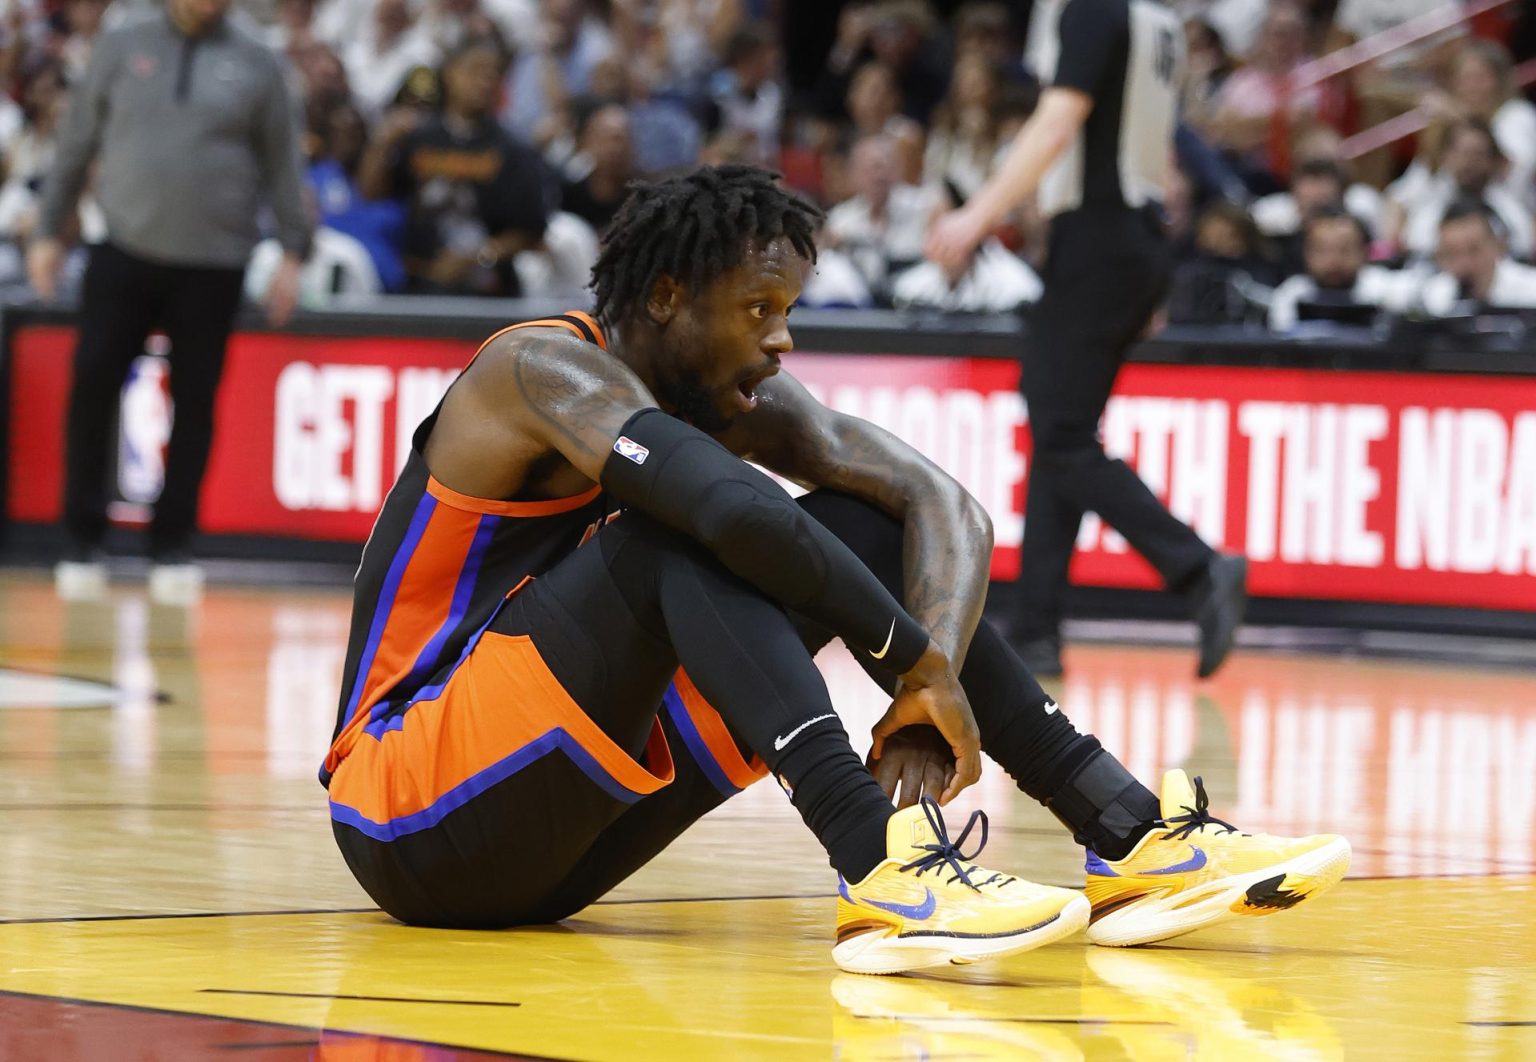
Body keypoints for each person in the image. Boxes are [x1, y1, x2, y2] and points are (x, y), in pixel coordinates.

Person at [321, 164, 1350, 973]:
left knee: (863, 522)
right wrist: (911, 663)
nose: (784, 337)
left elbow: (946, 507)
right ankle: (881, 867)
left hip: (552, 843)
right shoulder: (538, 367)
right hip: (404, 803)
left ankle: (1127, 839)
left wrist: (933, 670)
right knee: (675, 530)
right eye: (759, 309)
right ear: (671, 295)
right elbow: (721, 504)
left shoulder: (734, 393)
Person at [927, 0, 1247, 680]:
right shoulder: (1155, 20)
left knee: (1061, 432)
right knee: (1059, 432)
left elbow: (1060, 117)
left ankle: (1197, 567)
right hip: (1134, 234)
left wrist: (977, 216)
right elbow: (1157, 147)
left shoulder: (1092, 10)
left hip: (1099, 237)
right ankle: (1036, 632)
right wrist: (1148, 263)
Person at [30, 0, 312, 604]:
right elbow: (77, 139)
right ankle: (82, 538)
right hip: (123, 248)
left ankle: (172, 543)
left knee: (194, 401)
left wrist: (293, 251)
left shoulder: (259, 60)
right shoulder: (120, 43)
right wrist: (50, 231)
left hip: (215, 262)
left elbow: (283, 162)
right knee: (93, 385)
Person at [359, 39, 549, 297]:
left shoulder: (514, 149)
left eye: (493, 73)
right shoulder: (418, 138)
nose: (485, 80)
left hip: (489, 290)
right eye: (476, 70)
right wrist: (380, 145)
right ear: (450, 73)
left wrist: (479, 256)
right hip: (418, 282)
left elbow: (532, 232)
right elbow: (372, 194)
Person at [1383, 118, 1534, 262]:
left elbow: (1524, 246)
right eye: (1462, 153)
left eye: (1478, 154)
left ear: (1493, 161)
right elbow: (1416, 246)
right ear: (1446, 156)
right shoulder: (1428, 200)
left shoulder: (1507, 208)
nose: (1469, 162)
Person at [1267, 207, 1408, 331]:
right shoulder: (1290, 295)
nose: (1333, 260)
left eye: (1345, 249)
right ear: (1306, 254)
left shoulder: (1388, 292)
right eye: (1322, 250)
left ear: (1364, 252)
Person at [1418, 199, 1536, 316]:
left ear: (1498, 246)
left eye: (1474, 250)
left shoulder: (1531, 293)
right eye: (1451, 254)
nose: (1464, 263)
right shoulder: (1434, 298)